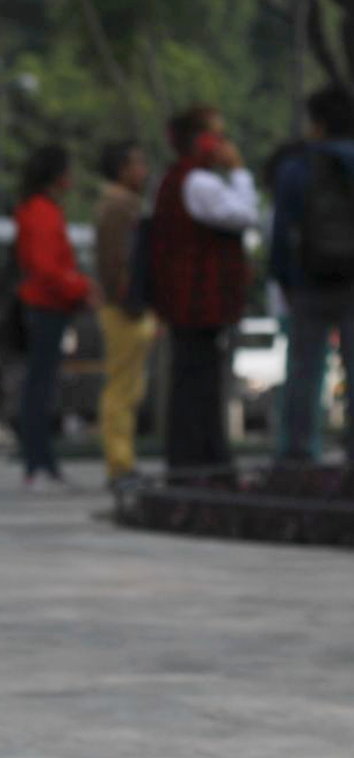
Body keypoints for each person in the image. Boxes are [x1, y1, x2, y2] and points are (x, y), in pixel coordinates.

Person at [151, 106, 258, 474]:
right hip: (199, 302)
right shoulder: (198, 182)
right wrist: (240, 171)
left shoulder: (180, 179)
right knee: (199, 383)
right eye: (219, 136)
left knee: (195, 381)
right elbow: (244, 215)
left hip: (190, 304)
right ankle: (201, 461)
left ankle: (197, 458)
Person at [271, 84, 354, 463]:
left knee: (305, 371)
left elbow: (282, 230)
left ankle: (299, 453)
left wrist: (284, 279)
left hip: (311, 281)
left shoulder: (297, 167)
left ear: (317, 124)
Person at [15, 144, 97, 490]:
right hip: (47, 308)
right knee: (40, 388)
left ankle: (42, 462)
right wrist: (82, 288)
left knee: (41, 387)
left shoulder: (38, 210)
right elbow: (48, 268)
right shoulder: (42, 212)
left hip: (49, 307)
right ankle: (38, 464)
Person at [95, 140, 155, 488]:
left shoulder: (121, 203)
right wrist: (127, 297)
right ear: (122, 169)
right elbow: (114, 260)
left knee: (128, 388)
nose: (143, 171)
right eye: (138, 163)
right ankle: (119, 465)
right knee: (121, 390)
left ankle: (123, 461)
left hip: (124, 306)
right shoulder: (119, 205)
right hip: (123, 309)